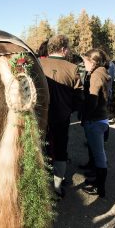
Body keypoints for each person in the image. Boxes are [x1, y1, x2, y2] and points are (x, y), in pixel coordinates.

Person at [40, 35, 82, 197]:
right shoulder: (72, 68)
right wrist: (69, 109)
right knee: (60, 150)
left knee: (40, 148)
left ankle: (40, 185)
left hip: (40, 117)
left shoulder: (38, 64)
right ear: (64, 49)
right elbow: (79, 96)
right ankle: (57, 187)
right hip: (62, 118)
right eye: (68, 49)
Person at [81, 49, 110, 198]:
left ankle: (100, 188)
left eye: (85, 61)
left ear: (93, 62)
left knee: (99, 155)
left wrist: (85, 115)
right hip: (101, 118)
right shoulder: (102, 71)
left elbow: (92, 101)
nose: (83, 64)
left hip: (95, 120)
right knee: (98, 153)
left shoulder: (96, 75)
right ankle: (97, 181)